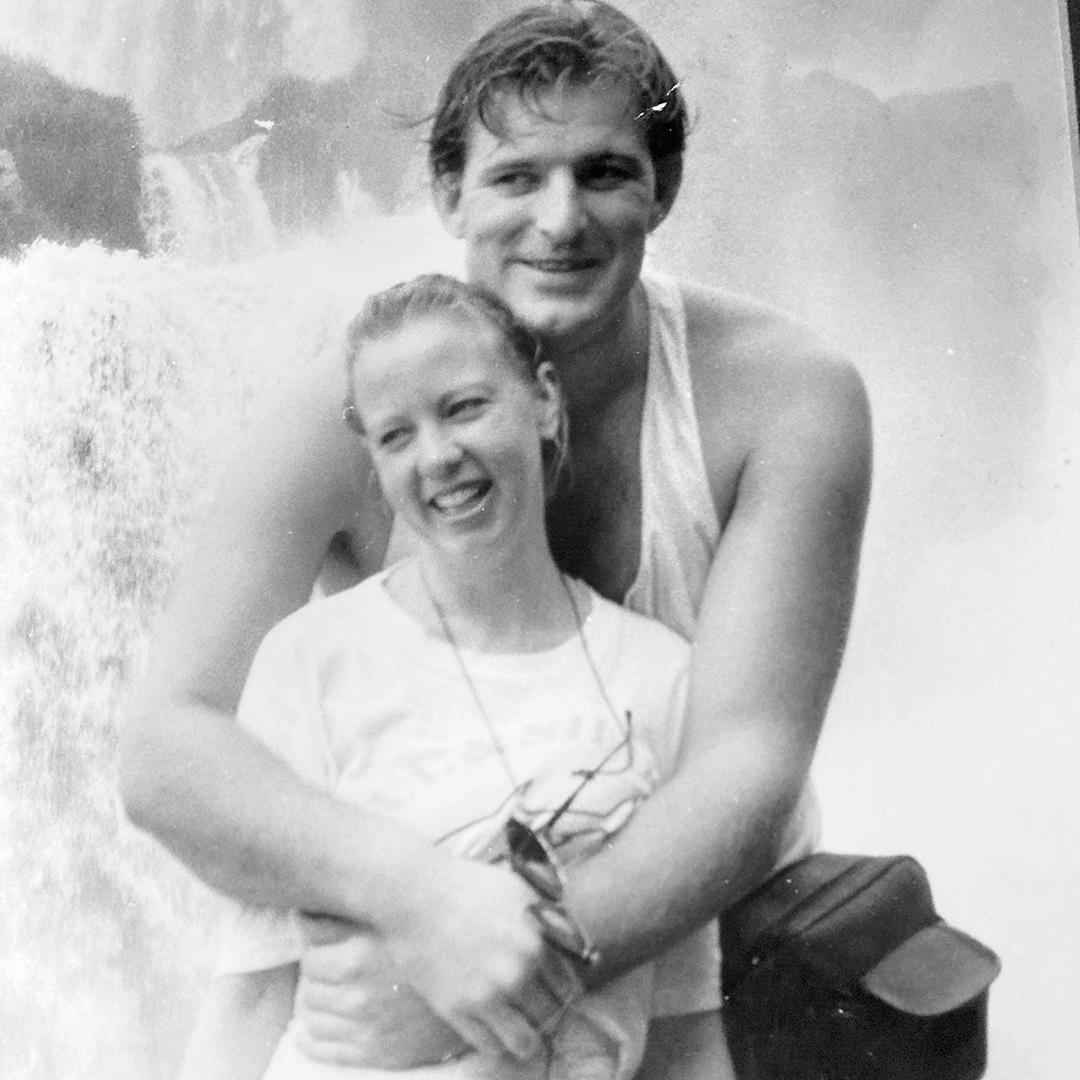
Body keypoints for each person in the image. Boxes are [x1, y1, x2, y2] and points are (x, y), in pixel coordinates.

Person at [121, 0, 871, 1067]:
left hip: (710, 967)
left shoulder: (785, 397)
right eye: (517, 176)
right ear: (446, 193)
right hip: (412, 978)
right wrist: (424, 914)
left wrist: (494, 964)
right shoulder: (341, 409)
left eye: (604, 172)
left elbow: (745, 769)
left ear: (664, 186)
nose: (559, 222)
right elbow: (166, 749)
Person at [180, 273, 732, 1080]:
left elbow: (683, 1032)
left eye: (465, 407)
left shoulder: (664, 681)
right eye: (396, 435)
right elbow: (255, 995)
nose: (438, 458)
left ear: (543, 402)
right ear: (368, 451)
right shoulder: (313, 663)